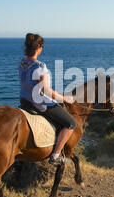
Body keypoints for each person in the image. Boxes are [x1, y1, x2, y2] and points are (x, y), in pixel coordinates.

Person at [19, 33, 77, 166]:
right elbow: (45, 91)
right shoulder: (40, 67)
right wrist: (64, 98)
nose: (42, 49)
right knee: (71, 123)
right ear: (38, 47)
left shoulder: (22, 63)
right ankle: (56, 155)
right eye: (42, 46)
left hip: (25, 102)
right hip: (39, 104)